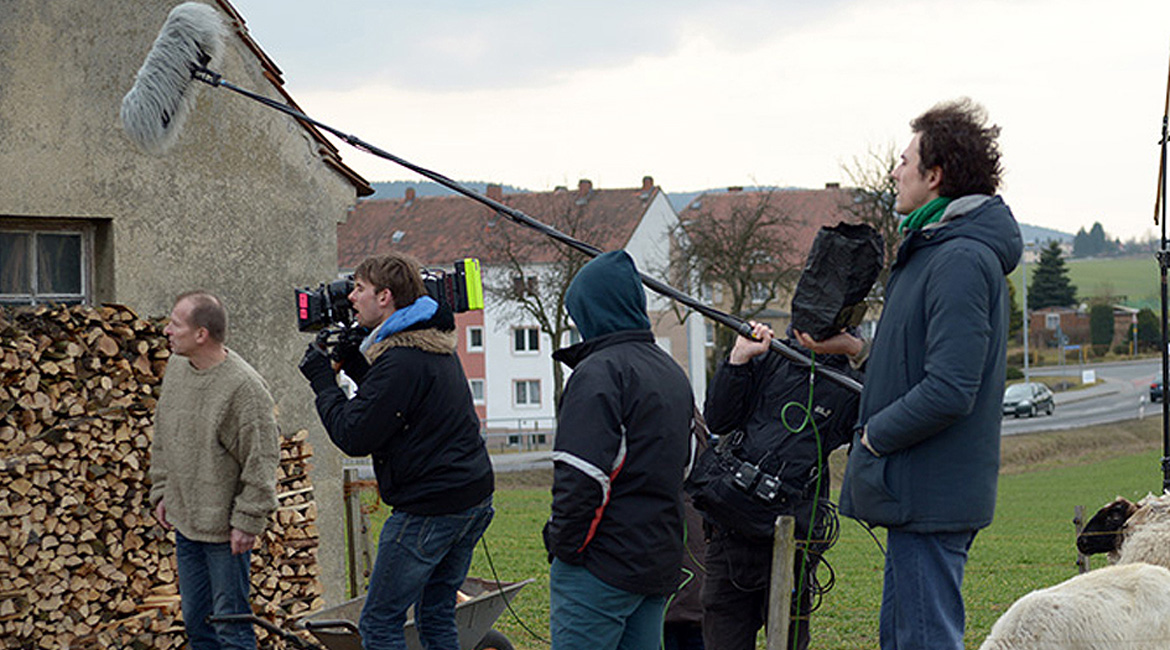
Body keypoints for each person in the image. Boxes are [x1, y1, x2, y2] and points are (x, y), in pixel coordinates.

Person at [836, 98, 1022, 650]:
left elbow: (950, 389)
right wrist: (857, 350)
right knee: (902, 639)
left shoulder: (960, 258)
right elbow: (920, 363)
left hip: (930, 495)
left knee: (922, 641)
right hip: (916, 494)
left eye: (904, 160)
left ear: (934, 175)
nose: (895, 171)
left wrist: (873, 435)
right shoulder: (934, 249)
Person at [298, 252, 494, 650]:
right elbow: (397, 406)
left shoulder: (402, 360)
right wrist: (354, 363)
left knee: (380, 622)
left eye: (359, 289)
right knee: (436, 614)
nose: (351, 298)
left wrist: (323, 383)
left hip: (429, 509)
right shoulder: (429, 345)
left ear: (385, 297)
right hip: (470, 499)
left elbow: (354, 434)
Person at [544, 250, 695, 650]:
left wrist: (564, 547)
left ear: (591, 310)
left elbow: (581, 480)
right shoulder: (671, 373)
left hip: (599, 568)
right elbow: (689, 466)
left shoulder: (598, 373)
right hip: (656, 563)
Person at [701, 322, 862, 650]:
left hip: (794, 535)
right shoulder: (769, 358)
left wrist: (859, 353)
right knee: (723, 637)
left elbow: (885, 412)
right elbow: (718, 419)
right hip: (730, 528)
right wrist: (738, 360)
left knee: (789, 640)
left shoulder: (850, 384)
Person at [150, 290, 279, 650]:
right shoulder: (177, 368)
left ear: (201, 334)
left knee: (231, 628)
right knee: (196, 624)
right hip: (186, 523)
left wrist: (248, 521)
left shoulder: (243, 388)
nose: (167, 331)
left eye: (176, 324)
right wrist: (161, 490)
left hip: (226, 532)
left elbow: (262, 460)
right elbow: (164, 433)